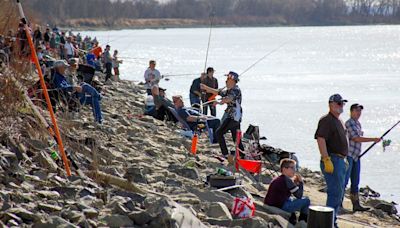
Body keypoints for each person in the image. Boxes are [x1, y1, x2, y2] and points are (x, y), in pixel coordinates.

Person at [314, 94, 348, 228]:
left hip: (340, 159)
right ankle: (329, 223)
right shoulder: (327, 120)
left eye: (342, 104)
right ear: (331, 104)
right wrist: (326, 158)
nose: (341, 106)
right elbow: (321, 138)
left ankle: (331, 220)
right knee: (335, 191)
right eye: (339, 103)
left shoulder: (339, 120)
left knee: (339, 191)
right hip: (332, 159)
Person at [201, 71, 244, 163]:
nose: (225, 81)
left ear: (232, 80)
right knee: (236, 138)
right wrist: (205, 88)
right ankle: (242, 156)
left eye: (227, 79)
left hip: (233, 116)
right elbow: (218, 92)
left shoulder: (235, 89)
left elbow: (229, 98)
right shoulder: (229, 89)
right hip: (235, 116)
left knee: (219, 133)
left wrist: (219, 102)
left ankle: (225, 154)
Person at [344, 103, 380, 212]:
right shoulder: (349, 123)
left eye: (360, 111)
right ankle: (339, 203)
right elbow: (356, 138)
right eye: (357, 110)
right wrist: (373, 139)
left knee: (355, 181)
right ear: (351, 111)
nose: (359, 113)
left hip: (356, 156)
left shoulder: (358, 124)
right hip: (349, 155)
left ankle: (356, 205)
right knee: (345, 181)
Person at [264, 158, 309, 224]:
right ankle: (303, 221)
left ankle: (294, 219)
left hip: (272, 202)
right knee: (307, 201)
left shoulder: (280, 178)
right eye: (292, 168)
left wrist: (295, 184)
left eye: (295, 168)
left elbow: (292, 192)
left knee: (291, 198)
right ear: (284, 169)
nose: (294, 170)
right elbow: (299, 195)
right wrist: (301, 183)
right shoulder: (287, 180)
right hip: (280, 205)